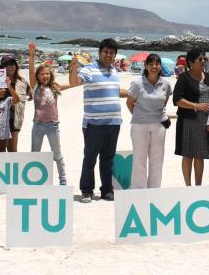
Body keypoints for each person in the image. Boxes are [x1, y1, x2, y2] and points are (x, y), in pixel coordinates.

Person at [67, 38, 127, 203]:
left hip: (113, 122)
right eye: (106, 52)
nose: (108, 55)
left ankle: (107, 190)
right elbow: (74, 82)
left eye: (111, 53)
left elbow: (113, 91)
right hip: (94, 123)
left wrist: (133, 93)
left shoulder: (114, 71)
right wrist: (73, 67)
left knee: (108, 158)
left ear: (114, 55)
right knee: (90, 157)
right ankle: (87, 190)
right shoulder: (89, 69)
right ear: (100, 53)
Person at [172, 49, 209, 186]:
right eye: (200, 59)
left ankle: (198, 186)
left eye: (204, 59)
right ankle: (188, 186)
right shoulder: (184, 77)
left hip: (205, 121)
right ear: (190, 62)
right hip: (188, 121)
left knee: (200, 155)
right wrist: (195, 106)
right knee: (187, 155)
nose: (203, 61)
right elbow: (177, 100)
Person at [127, 53, 173, 189]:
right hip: (139, 126)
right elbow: (129, 103)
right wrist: (141, 115)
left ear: (160, 66)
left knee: (157, 160)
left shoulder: (166, 84)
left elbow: (164, 102)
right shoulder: (137, 83)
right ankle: (139, 191)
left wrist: (156, 115)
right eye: (151, 64)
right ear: (145, 66)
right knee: (139, 160)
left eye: (157, 64)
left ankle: (154, 189)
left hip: (159, 126)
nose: (154, 66)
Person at [28, 42, 68, 186]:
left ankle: (63, 181)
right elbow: (31, 70)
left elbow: (73, 83)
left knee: (57, 155)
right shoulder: (35, 88)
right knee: (35, 155)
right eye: (42, 74)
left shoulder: (55, 88)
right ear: (38, 77)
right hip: (38, 125)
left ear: (50, 75)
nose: (45, 76)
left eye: (47, 73)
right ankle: (33, 181)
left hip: (53, 126)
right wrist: (32, 53)